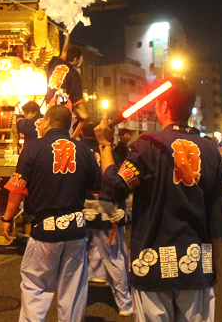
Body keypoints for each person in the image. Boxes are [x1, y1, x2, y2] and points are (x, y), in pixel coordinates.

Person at [95, 76, 222, 322]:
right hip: (196, 261)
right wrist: (215, 261)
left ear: (164, 106)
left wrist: (104, 144)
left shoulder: (148, 146)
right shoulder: (210, 150)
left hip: (152, 261)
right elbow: (217, 213)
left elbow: (115, 186)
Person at [2, 105, 102, 322]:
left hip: (45, 228)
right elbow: (97, 186)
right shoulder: (84, 150)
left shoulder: (33, 148)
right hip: (75, 227)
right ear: (69, 125)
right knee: (73, 290)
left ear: (46, 122)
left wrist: (7, 219)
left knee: (36, 287)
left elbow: (17, 189)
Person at [81, 122, 133, 317]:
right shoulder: (111, 153)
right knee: (115, 259)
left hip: (83, 209)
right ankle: (125, 303)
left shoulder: (78, 151)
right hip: (108, 209)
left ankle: (74, 302)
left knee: (76, 260)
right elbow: (119, 183)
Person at [44, 32, 88, 122]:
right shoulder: (74, 74)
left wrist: (67, 36)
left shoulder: (57, 63)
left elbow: (64, 50)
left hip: (49, 105)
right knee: (84, 115)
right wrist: (84, 114)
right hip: (63, 109)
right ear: (76, 59)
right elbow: (78, 101)